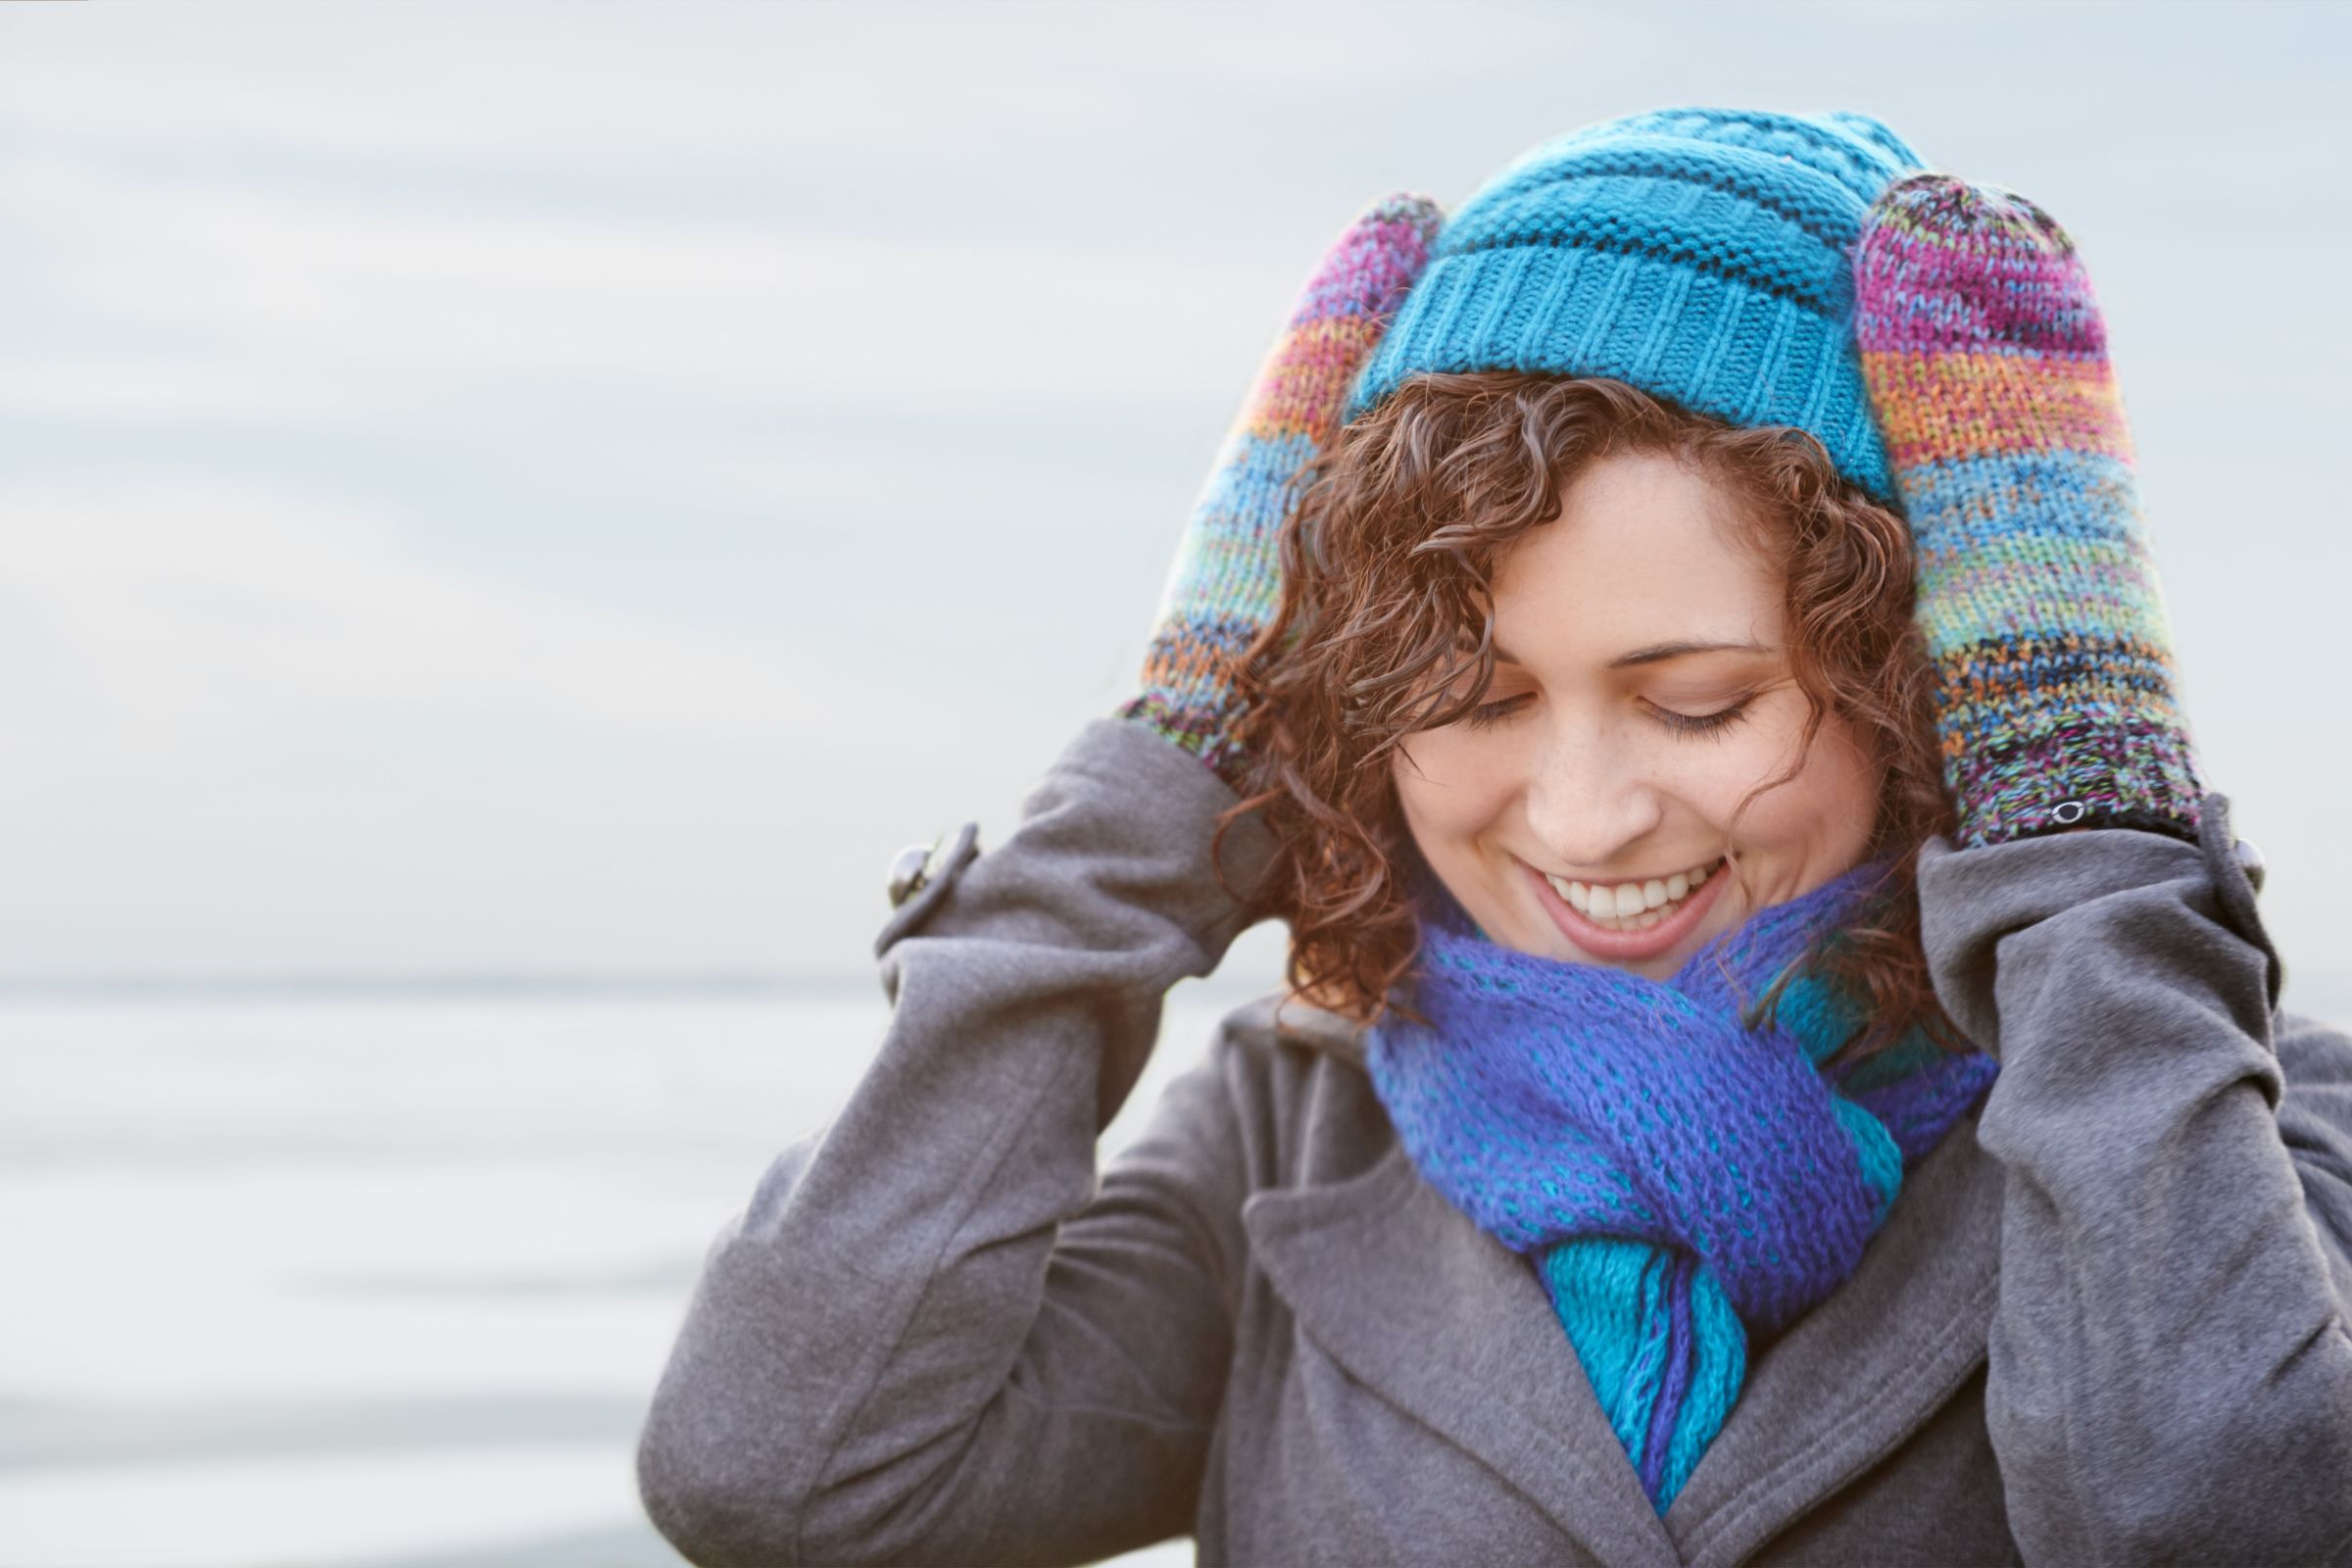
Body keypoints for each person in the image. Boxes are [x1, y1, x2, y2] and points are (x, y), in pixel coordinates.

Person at [634, 107, 2352, 1566]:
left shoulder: (2232, 1141)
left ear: (1922, 699)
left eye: (1695, 703)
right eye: (1468, 699)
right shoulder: (1291, 1134)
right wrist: (1164, 774)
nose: (1588, 815)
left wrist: (2073, 796)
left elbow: (2212, 1511)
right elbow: (783, 1472)